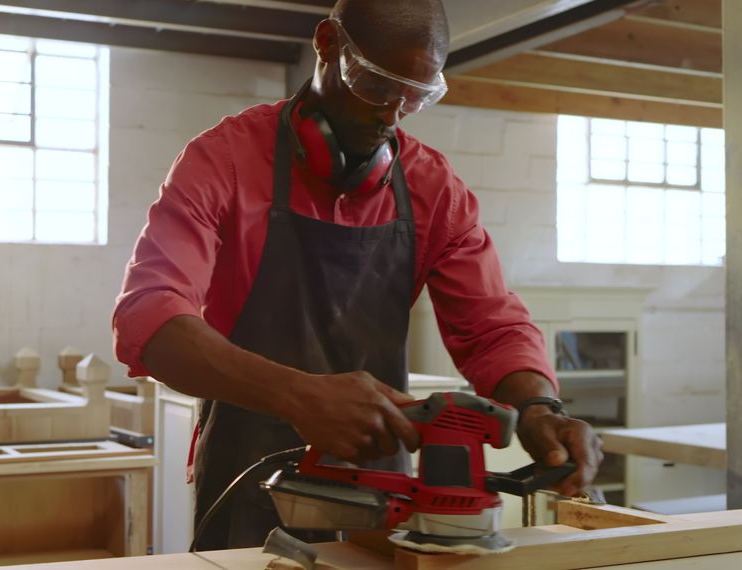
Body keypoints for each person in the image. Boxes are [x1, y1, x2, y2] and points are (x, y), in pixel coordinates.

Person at [112, 0, 602, 551]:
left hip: (382, 483)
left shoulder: (434, 189)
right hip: (246, 475)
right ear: (327, 43)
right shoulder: (222, 161)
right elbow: (149, 318)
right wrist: (297, 395)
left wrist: (540, 406)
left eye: (415, 95)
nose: (392, 113)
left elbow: (492, 327)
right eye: (375, 84)